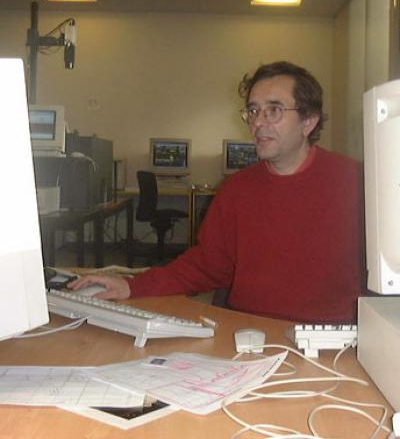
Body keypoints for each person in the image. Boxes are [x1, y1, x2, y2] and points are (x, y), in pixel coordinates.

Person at [70, 61, 365, 323]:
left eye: (274, 110)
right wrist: (132, 285)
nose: (258, 122)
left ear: (308, 121)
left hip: (333, 337)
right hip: (246, 332)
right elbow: (207, 266)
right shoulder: (237, 189)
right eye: (253, 110)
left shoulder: (358, 183)